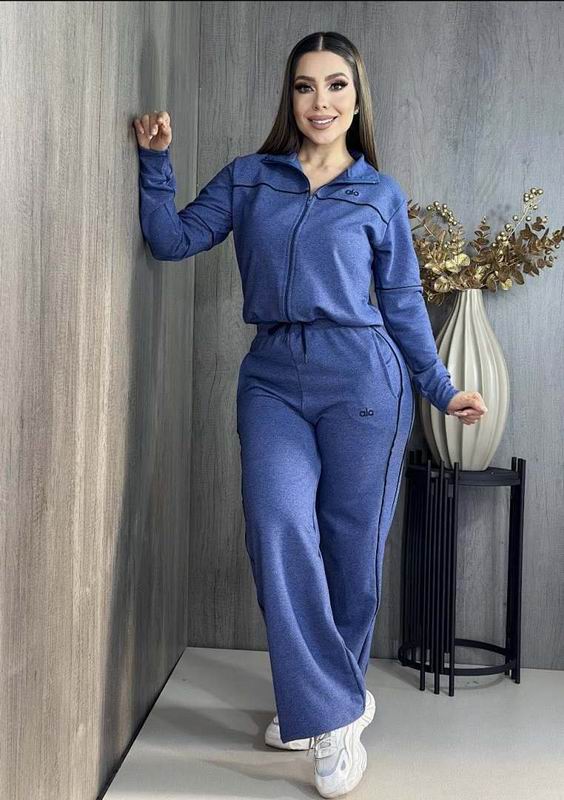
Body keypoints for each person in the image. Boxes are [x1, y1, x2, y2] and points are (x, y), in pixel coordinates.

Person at [133, 30, 487, 799]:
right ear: (288, 97)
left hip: (364, 380)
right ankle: (333, 708)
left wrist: (441, 387)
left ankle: (326, 711)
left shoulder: (378, 195)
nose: (319, 101)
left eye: (335, 85)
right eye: (304, 86)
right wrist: (156, 163)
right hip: (272, 379)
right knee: (277, 526)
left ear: (356, 100)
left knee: (351, 551)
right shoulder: (250, 177)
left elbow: (402, 306)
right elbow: (170, 239)